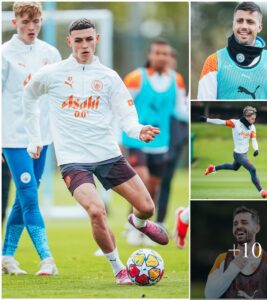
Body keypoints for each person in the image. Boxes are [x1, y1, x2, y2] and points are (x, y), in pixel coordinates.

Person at [23, 18, 169, 285]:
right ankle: (119, 269)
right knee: (96, 210)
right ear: (70, 42)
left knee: (147, 207)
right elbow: (28, 95)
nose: (84, 45)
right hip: (73, 161)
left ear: (96, 40)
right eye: (78, 40)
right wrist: (34, 137)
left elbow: (126, 115)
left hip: (108, 155)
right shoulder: (52, 74)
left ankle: (138, 223)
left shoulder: (109, 77)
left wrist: (138, 131)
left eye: (89, 39)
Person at [2, 1, 61, 275]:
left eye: (35, 21)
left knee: (24, 198)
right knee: (28, 195)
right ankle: (47, 259)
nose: (31, 27)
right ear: (15, 22)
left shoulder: (51, 53)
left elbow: (59, 96)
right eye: (25, 21)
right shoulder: (4, 55)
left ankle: (6, 257)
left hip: (43, 138)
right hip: (13, 138)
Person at [122, 39, 187, 244]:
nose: (161, 57)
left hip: (162, 141)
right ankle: (133, 227)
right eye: (157, 53)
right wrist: (116, 136)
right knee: (140, 181)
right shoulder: (135, 78)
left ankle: (142, 225)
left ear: (170, 57)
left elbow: (179, 110)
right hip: (137, 139)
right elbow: (120, 107)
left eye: (165, 53)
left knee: (153, 188)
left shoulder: (177, 80)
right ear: (150, 55)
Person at [197, 2, 267, 100]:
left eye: (250, 22)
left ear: (260, 27)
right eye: (239, 21)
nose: (244, 26)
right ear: (233, 24)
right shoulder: (213, 62)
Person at [205, 206, 267, 298]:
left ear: (257, 228)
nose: (238, 226)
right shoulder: (222, 259)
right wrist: (232, 269)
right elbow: (209, 295)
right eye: (235, 224)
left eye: (244, 222)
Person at [201, 106, 267, 199]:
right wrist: (207, 120)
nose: (254, 120)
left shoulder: (252, 127)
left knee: (234, 167)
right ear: (247, 116)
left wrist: (256, 149)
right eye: (252, 118)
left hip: (244, 154)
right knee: (252, 169)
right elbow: (220, 121)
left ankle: (212, 168)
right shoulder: (235, 123)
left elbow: (254, 140)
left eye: (254, 118)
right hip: (238, 154)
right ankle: (262, 191)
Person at [156, 47, 189, 225]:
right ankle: (135, 222)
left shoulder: (177, 82)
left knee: (166, 181)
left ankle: (160, 222)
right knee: (146, 181)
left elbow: (182, 112)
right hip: (154, 139)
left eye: (169, 58)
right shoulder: (149, 82)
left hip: (174, 140)